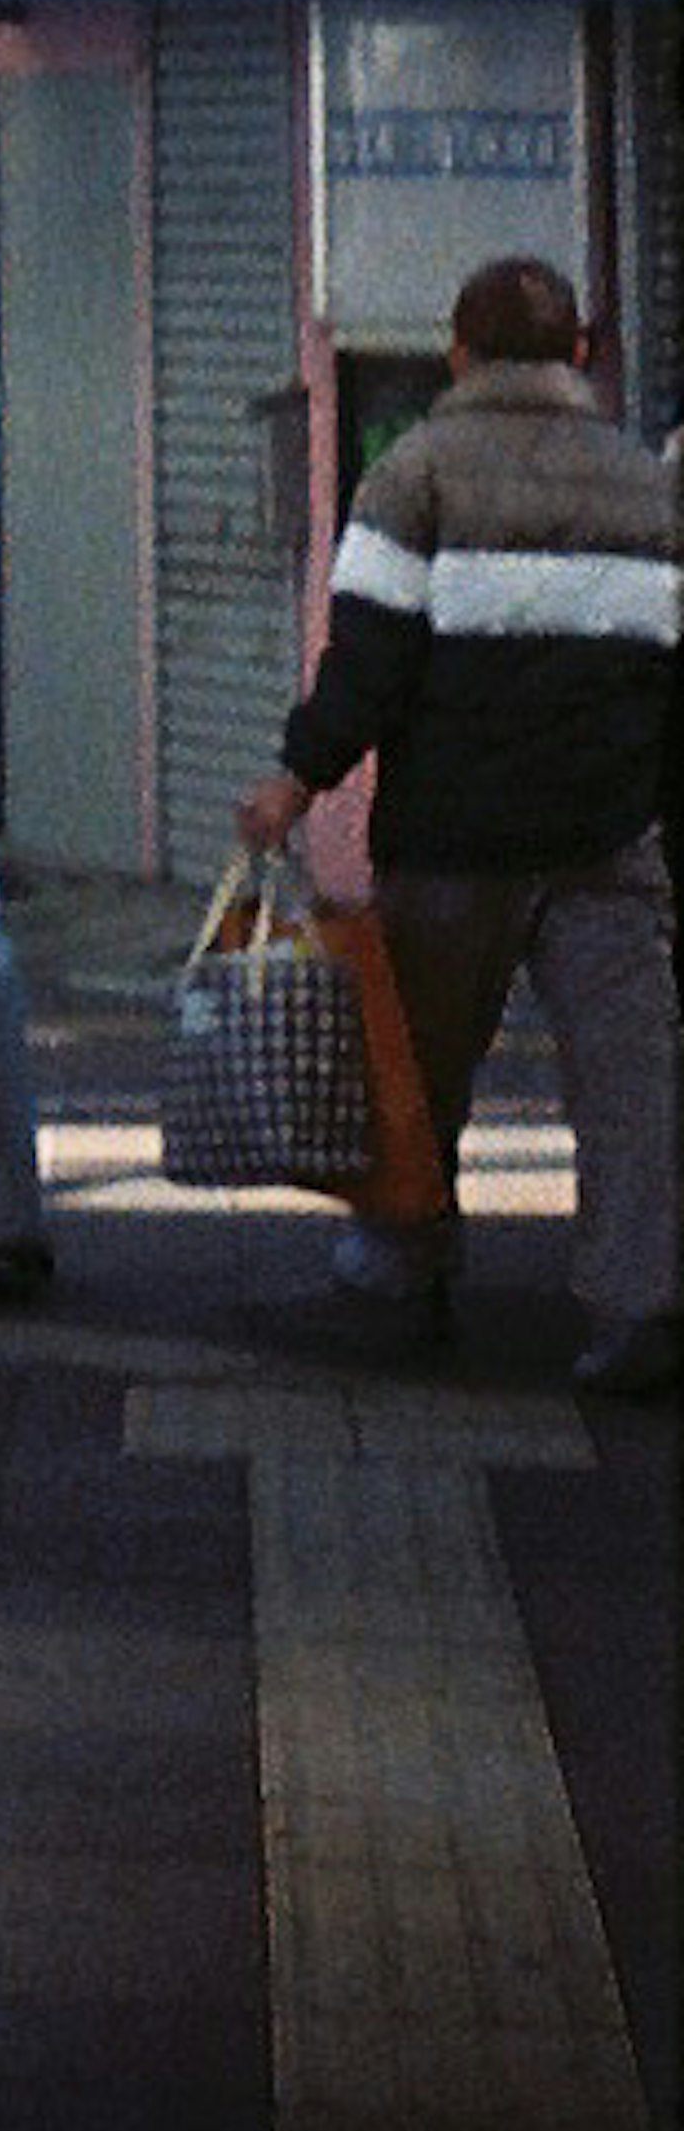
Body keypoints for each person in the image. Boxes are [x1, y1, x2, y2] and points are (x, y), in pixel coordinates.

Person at [237, 250, 679, 1393]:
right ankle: (641, 1308)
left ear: (460, 353)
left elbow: (368, 663)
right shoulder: (647, 485)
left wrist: (296, 780)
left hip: (450, 842)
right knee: (629, 1087)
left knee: (417, 1074)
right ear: (581, 354)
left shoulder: (415, 473)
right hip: (605, 838)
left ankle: (402, 1276)